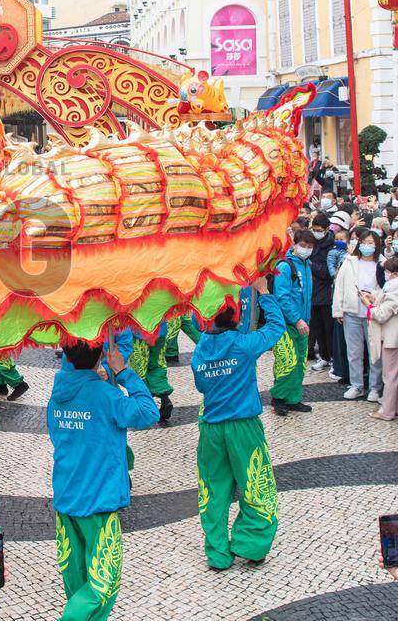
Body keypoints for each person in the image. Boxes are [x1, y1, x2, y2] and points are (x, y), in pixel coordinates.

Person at [47, 339, 158, 620]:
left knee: (76, 582)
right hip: (98, 503)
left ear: (67, 356)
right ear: (100, 356)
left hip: (66, 499)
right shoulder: (105, 396)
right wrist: (123, 373)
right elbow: (148, 413)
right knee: (103, 583)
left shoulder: (57, 394)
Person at [191, 277, 284, 570]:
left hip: (211, 429)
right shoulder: (244, 346)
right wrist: (265, 292)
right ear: (235, 318)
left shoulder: (199, 352)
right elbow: (276, 328)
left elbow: (202, 386)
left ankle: (218, 553)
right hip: (243, 427)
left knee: (214, 491)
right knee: (257, 486)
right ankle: (251, 545)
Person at [333, 228, 385, 401]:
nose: (367, 246)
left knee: (374, 353)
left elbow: (386, 289)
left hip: (373, 313)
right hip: (352, 312)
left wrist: (373, 297)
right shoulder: (350, 261)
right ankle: (357, 385)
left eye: (371, 243)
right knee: (354, 351)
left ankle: (375, 387)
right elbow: (340, 286)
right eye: (364, 243)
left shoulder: (382, 263)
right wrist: (338, 310)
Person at [270, 230, 315, 416]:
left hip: (303, 323)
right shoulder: (286, 266)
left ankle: (293, 399)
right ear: (294, 244)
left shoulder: (307, 265)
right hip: (287, 324)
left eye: (310, 247)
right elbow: (282, 297)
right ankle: (279, 398)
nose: (306, 250)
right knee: (287, 361)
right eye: (303, 246)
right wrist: (296, 319)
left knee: (300, 363)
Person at [364, 257, 398, 421]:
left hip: (393, 338)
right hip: (392, 336)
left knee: (390, 376)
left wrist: (368, 305)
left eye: (387, 272)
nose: (385, 275)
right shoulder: (391, 288)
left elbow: (382, 314)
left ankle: (387, 411)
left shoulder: (394, 289)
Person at [308, 214, 336, 371]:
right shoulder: (312, 242)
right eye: (314, 229)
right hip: (313, 291)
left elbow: (328, 271)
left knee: (329, 327)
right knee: (317, 327)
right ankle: (324, 357)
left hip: (326, 291)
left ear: (326, 229)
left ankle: (332, 358)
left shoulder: (332, 245)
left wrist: (312, 266)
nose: (315, 232)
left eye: (318, 230)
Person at [129, 325, 174, 423]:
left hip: (138, 332)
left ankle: (142, 407)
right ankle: (165, 398)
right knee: (158, 365)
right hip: (159, 331)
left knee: (139, 370)